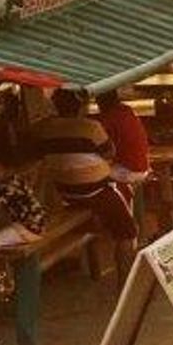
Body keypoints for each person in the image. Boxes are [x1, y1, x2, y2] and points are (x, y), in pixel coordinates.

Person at [30, 87, 136, 281]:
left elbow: (38, 154)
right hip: (96, 191)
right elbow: (109, 153)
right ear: (79, 106)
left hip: (66, 193)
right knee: (126, 230)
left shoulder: (45, 129)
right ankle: (126, 280)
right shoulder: (90, 127)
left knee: (109, 204)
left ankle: (96, 232)